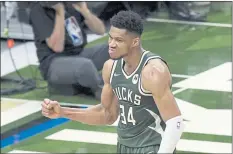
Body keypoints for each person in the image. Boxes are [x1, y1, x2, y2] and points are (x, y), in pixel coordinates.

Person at [41, 10, 184, 153]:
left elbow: (175, 122)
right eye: (111, 38)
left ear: (135, 42)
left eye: (119, 40)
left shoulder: (152, 72)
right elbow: (107, 114)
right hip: (123, 147)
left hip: (152, 147)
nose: (112, 44)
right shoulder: (110, 67)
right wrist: (63, 112)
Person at [29, 2, 110, 99]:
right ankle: (99, 89)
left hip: (78, 54)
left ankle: (94, 82)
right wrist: (60, 13)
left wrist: (85, 10)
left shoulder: (70, 4)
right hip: (53, 63)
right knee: (85, 66)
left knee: (112, 49)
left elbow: (100, 30)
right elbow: (57, 47)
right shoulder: (39, 10)